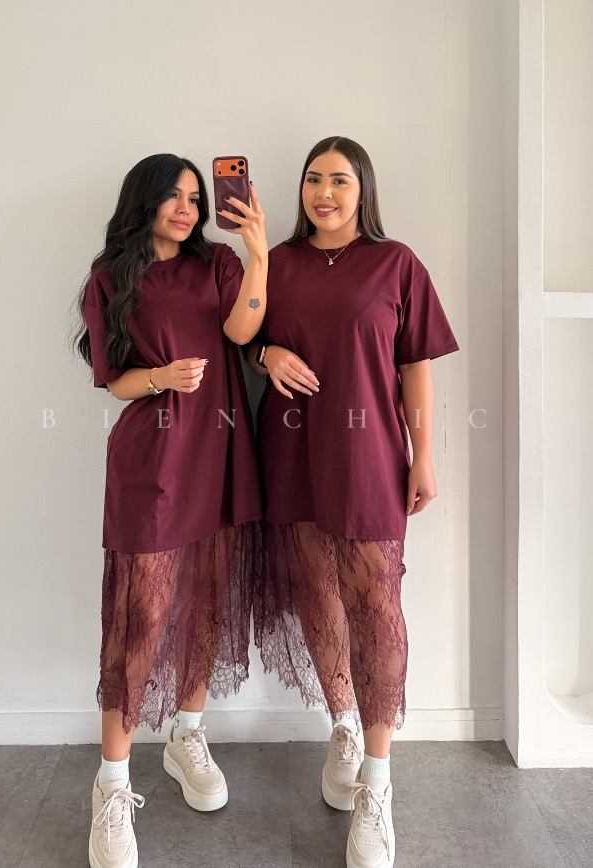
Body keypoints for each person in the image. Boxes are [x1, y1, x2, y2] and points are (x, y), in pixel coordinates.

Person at [247, 136, 459, 868]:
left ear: (362, 189)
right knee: (315, 591)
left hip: (370, 452)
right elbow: (240, 331)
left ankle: (377, 779)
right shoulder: (277, 261)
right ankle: (341, 724)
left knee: (375, 602)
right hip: (292, 447)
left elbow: (415, 367)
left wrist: (423, 454)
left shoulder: (396, 263)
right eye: (313, 179)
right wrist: (264, 354)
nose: (324, 192)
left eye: (339, 180)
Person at [73, 153, 267, 868]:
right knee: (140, 616)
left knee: (207, 600)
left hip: (219, 448)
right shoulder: (111, 278)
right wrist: (159, 375)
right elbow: (113, 380)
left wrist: (257, 252)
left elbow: (242, 332)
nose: (186, 209)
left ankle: (187, 733)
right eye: (173, 197)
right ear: (144, 201)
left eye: (194, 197)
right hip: (151, 456)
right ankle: (111, 784)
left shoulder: (218, 265)